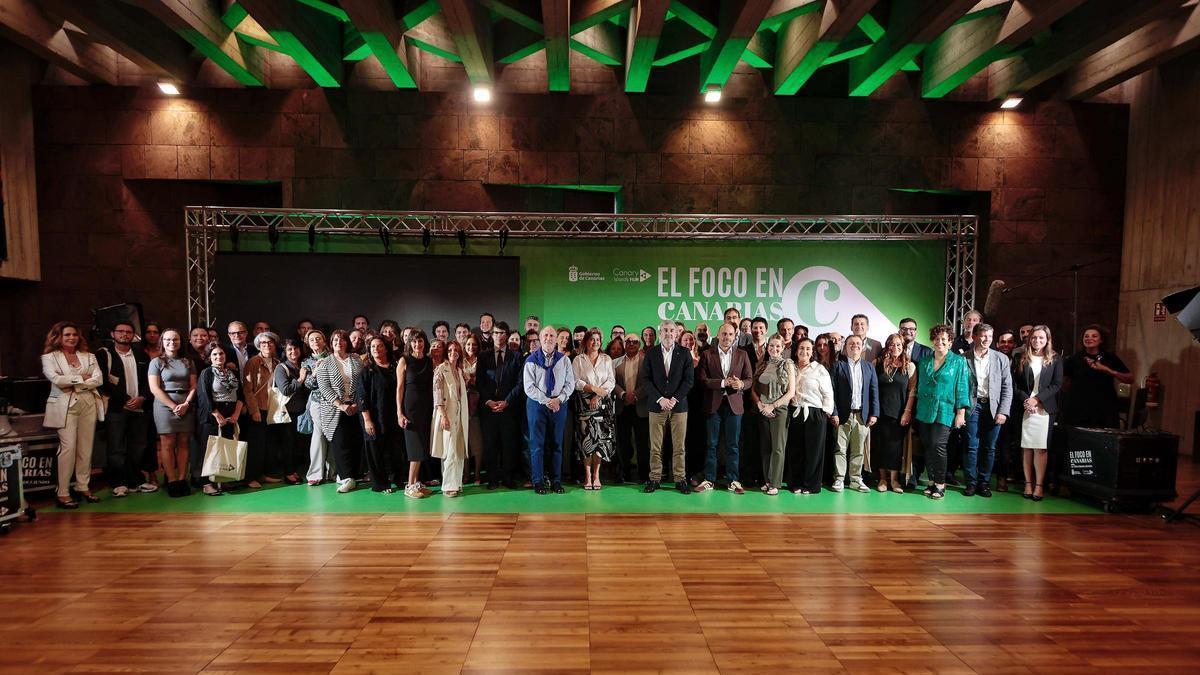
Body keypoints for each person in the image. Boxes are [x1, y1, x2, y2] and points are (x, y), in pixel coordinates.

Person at [901, 325, 970, 500]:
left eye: (943, 339)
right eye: (937, 339)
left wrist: (961, 412)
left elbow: (962, 388)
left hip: (945, 409)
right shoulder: (924, 362)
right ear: (932, 341)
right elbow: (918, 386)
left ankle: (940, 483)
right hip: (924, 409)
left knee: (938, 446)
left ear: (950, 342)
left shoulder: (958, 361)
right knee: (928, 446)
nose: (940, 342)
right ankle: (931, 481)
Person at [41, 321, 105, 508]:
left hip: (88, 402)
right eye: (67, 335)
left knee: (86, 448)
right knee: (68, 449)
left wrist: (74, 383)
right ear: (58, 337)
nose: (71, 338)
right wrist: (82, 379)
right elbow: (56, 379)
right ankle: (62, 492)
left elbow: (98, 379)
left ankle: (82, 486)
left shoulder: (89, 356)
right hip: (64, 405)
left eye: (74, 334)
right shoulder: (49, 357)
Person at [96, 321, 152, 498]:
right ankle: (118, 482)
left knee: (138, 445)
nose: (125, 335)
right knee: (116, 447)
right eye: (120, 331)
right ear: (113, 334)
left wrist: (142, 398)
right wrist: (125, 400)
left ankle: (135, 480)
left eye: (129, 332)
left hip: (139, 407)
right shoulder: (104, 354)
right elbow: (103, 381)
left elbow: (147, 381)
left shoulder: (141, 355)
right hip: (117, 408)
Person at [697, 323, 752, 493]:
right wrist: (722, 382)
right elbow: (702, 380)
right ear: (718, 336)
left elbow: (749, 379)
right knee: (711, 444)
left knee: (733, 445)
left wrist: (740, 384)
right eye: (724, 334)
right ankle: (709, 479)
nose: (727, 337)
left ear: (735, 336)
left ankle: (733, 480)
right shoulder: (707, 354)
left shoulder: (742, 354)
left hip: (734, 406)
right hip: (713, 405)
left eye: (730, 334)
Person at [640, 319, 694, 494]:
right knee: (655, 447)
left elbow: (688, 381)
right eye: (665, 330)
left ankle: (680, 479)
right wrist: (660, 399)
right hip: (657, 407)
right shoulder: (651, 353)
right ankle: (654, 479)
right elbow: (645, 380)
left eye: (672, 330)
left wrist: (674, 399)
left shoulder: (685, 353)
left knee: (679, 446)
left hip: (678, 407)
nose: (669, 333)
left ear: (676, 333)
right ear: (660, 332)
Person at [524, 326, 576, 494]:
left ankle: (556, 481)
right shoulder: (531, 360)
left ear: (556, 339)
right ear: (540, 338)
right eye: (545, 335)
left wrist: (558, 399)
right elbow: (529, 387)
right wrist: (548, 401)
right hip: (537, 406)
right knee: (537, 445)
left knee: (556, 444)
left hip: (559, 405)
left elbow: (570, 383)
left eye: (552, 335)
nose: (548, 338)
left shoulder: (564, 360)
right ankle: (538, 481)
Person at [962, 323, 1013, 498]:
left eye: (990, 337)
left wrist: (1003, 411)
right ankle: (971, 483)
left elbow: (1007, 388)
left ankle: (984, 483)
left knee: (990, 447)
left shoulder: (1001, 359)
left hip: (993, 407)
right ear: (975, 337)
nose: (986, 340)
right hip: (972, 406)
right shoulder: (964, 358)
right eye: (983, 336)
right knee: (971, 446)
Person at [1013, 325, 1062, 502]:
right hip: (1025, 406)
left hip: (1044, 408)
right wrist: (1027, 400)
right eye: (1034, 338)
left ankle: (1039, 485)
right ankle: (1028, 483)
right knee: (1026, 447)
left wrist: (1038, 399)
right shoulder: (1020, 357)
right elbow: (1015, 385)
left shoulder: (1055, 358)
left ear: (1047, 339)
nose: (1037, 341)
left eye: (1041, 338)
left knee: (1040, 448)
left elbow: (1057, 384)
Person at [148, 329, 197, 498]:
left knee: (184, 443)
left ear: (180, 341)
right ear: (162, 341)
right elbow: (154, 388)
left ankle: (183, 479)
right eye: (168, 339)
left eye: (175, 339)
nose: (172, 342)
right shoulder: (156, 362)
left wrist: (186, 404)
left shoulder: (188, 361)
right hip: (163, 405)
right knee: (167, 444)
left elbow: (193, 386)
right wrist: (173, 405)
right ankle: (172, 480)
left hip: (185, 404)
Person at [315, 330, 364, 494]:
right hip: (334, 409)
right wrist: (340, 405)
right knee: (340, 443)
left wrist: (356, 403)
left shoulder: (356, 361)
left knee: (356, 441)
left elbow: (362, 384)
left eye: (342, 340)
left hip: (355, 407)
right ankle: (346, 478)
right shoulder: (325, 363)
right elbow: (324, 388)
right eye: (335, 340)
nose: (339, 342)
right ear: (331, 342)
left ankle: (354, 475)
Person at [830, 335, 880, 493]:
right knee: (840, 449)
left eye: (858, 343)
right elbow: (831, 392)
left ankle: (855, 480)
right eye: (851, 343)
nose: (855, 346)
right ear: (846, 347)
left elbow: (874, 391)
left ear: (862, 346)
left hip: (862, 415)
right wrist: (834, 413)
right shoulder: (838, 366)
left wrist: (874, 413)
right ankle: (839, 479)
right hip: (842, 415)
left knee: (858, 450)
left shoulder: (869, 367)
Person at [478, 323, 523, 489]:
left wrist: (507, 401)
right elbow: (480, 382)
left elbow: (520, 383)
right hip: (489, 409)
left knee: (509, 445)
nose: (497, 335)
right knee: (490, 445)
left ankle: (508, 478)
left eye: (501, 332)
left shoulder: (516, 357)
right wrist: (489, 401)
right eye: (495, 332)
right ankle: (492, 479)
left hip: (509, 408)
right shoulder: (483, 356)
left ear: (507, 335)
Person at [787, 337, 834, 494]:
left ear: (812, 352)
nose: (804, 351)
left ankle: (811, 485)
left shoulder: (819, 369)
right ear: (796, 350)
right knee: (796, 450)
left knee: (814, 451)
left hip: (815, 412)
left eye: (808, 349)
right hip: (795, 411)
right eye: (801, 348)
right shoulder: (790, 367)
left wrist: (825, 412)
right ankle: (796, 483)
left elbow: (828, 393)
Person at [1062, 324, 1132, 428]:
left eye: (1094, 336)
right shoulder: (1074, 359)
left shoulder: (1110, 358)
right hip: (1078, 409)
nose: (1089, 338)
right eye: (1086, 336)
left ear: (1101, 340)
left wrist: (1107, 370)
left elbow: (1130, 378)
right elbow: (1063, 381)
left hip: (1105, 408)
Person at [196, 341, 242, 496]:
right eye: (214, 354)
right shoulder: (206, 373)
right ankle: (207, 483)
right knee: (209, 450)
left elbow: (240, 395)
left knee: (226, 448)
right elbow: (204, 396)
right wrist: (217, 415)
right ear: (209, 357)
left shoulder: (232, 373)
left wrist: (235, 414)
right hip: (212, 416)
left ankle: (224, 479)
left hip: (231, 416)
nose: (218, 356)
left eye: (221, 353)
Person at [751, 335, 795, 495]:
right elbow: (754, 389)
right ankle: (768, 480)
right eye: (771, 346)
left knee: (778, 447)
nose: (774, 349)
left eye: (778, 346)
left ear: (783, 348)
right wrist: (760, 405)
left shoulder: (788, 364)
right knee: (766, 447)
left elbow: (791, 392)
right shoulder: (762, 365)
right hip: (762, 409)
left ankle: (776, 483)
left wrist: (772, 406)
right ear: (767, 347)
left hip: (779, 410)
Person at [573, 329, 616, 490]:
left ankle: (597, 476)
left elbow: (611, 381)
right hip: (584, 405)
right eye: (592, 339)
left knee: (600, 442)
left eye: (598, 339)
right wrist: (592, 389)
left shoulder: (606, 359)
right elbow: (576, 381)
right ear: (586, 341)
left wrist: (597, 395)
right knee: (586, 441)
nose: (595, 342)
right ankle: (587, 476)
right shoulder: (578, 359)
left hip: (602, 405)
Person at [873, 334, 914, 493]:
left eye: (898, 345)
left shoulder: (909, 366)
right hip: (879, 412)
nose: (895, 348)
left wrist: (907, 412)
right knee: (880, 445)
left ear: (903, 346)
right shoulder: (877, 363)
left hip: (899, 413)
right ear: (887, 346)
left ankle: (894, 479)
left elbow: (912, 391)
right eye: (891, 344)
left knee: (895, 447)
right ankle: (882, 479)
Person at [397, 330, 435, 498]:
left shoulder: (428, 360)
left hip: (426, 408)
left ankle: (416, 483)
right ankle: (410, 485)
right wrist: (399, 412)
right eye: (414, 342)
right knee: (415, 448)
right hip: (410, 409)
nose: (417, 344)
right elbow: (399, 389)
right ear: (409, 343)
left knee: (422, 447)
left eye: (420, 341)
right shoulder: (404, 360)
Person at [241, 331, 281, 488]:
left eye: (270, 342)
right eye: (263, 343)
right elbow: (248, 389)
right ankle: (251, 477)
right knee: (256, 444)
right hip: (259, 408)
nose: (267, 345)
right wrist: (254, 410)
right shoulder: (253, 362)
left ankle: (263, 474)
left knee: (268, 444)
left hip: (273, 408)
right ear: (258, 345)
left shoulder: (277, 362)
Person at [432, 341, 471, 497]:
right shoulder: (441, 370)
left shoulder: (459, 371)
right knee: (449, 450)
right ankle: (448, 485)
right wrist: (443, 415)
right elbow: (438, 395)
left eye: (456, 350)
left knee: (459, 448)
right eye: (450, 350)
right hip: (446, 414)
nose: (453, 352)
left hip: (460, 414)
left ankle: (457, 482)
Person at [272, 338, 310, 486]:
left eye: (295, 349)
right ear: (285, 352)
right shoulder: (281, 368)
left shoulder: (304, 365)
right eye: (289, 350)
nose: (293, 352)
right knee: (288, 444)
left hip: (303, 411)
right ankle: (288, 473)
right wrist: (300, 379)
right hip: (287, 413)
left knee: (299, 444)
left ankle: (296, 471)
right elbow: (286, 389)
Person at [739, 316, 770, 487]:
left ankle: (763, 476)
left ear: (766, 330)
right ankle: (748, 476)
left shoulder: (773, 348)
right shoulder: (743, 350)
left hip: (768, 401)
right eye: (754, 328)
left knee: (765, 441)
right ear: (750, 331)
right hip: (746, 401)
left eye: (760, 328)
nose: (757, 331)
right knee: (748, 440)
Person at [613, 335, 646, 484]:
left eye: (634, 342)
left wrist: (636, 395)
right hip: (622, 407)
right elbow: (611, 382)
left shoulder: (647, 361)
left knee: (643, 443)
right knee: (623, 443)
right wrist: (623, 394)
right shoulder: (615, 362)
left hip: (641, 407)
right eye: (628, 342)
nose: (631, 344)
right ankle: (623, 473)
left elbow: (650, 381)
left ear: (639, 344)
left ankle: (643, 475)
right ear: (624, 344)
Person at [302, 330, 331, 485]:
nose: (315, 342)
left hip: (335, 402)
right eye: (312, 340)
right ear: (308, 343)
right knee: (319, 435)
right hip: (317, 402)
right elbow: (309, 385)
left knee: (334, 435)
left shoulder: (333, 357)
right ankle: (315, 473)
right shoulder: (306, 362)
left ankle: (333, 472)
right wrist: (314, 373)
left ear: (324, 341)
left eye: (318, 339)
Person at [462, 334, 485, 484]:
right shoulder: (459, 361)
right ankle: (465, 475)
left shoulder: (482, 360)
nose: (471, 347)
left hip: (477, 405)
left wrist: (471, 379)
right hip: (462, 404)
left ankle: (477, 474)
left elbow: (483, 381)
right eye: (469, 344)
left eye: (474, 344)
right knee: (463, 444)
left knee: (477, 444)